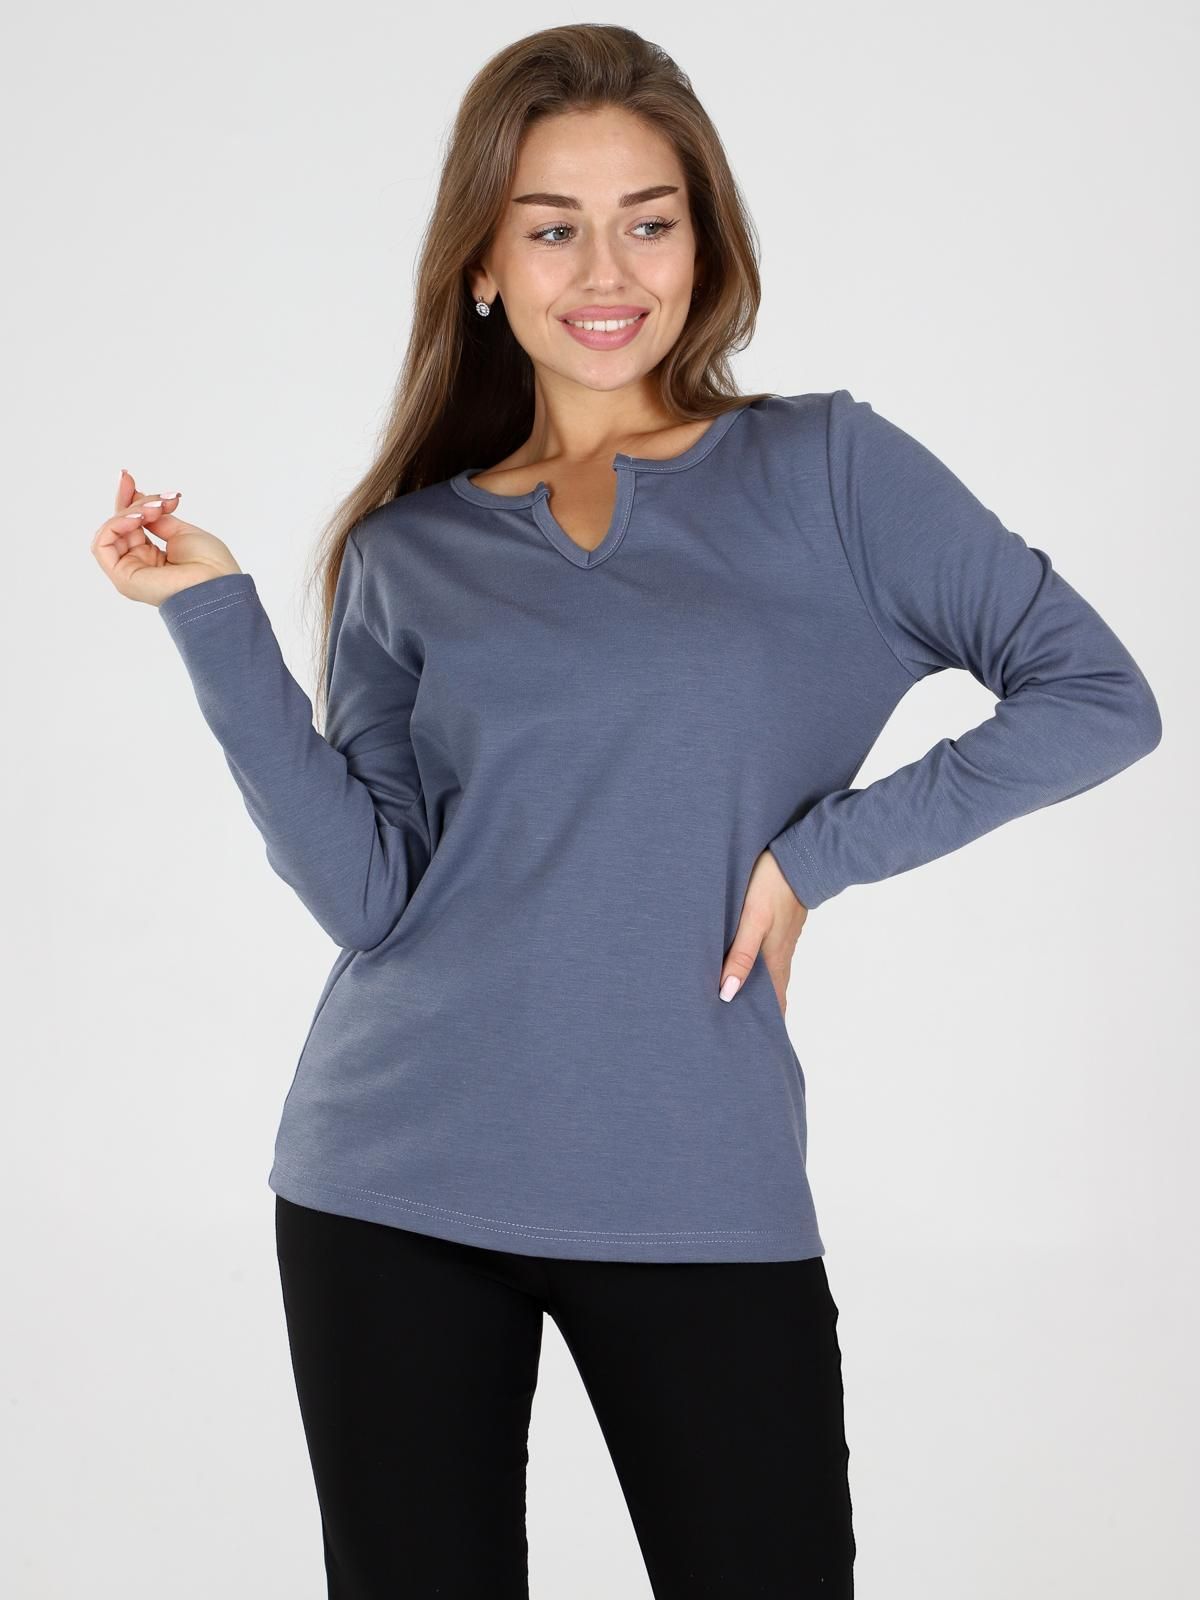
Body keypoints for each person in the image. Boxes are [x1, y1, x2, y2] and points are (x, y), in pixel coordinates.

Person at [89, 22, 1162, 1600]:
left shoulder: (829, 471)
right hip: (388, 1173)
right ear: (481, 265)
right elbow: (372, 898)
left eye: (648, 221)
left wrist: (816, 856)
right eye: (551, 228)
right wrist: (212, 613)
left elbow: (1098, 696)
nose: (607, 270)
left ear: (702, 244)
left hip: (695, 1179)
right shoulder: (410, 550)